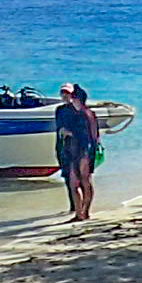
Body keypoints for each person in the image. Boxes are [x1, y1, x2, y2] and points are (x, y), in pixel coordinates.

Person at [54, 85, 100, 222]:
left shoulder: (87, 113)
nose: (70, 99)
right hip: (71, 151)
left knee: (85, 181)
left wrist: (92, 152)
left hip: (84, 150)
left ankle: (85, 212)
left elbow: (94, 135)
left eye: (73, 96)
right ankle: (79, 213)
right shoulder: (67, 112)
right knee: (74, 183)